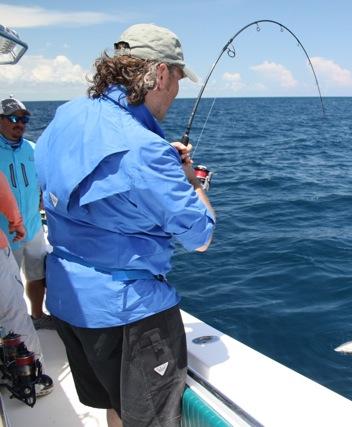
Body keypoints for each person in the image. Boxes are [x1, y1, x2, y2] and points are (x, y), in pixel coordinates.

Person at [34, 23, 215, 427]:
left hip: (69, 301)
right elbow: (201, 236)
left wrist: (160, 164)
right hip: (129, 316)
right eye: (179, 78)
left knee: (114, 406)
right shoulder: (145, 150)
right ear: (161, 74)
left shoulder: (68, 114)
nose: (177, 91)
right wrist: (192, 181)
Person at [0, 97, 54, 330]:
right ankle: (10, 328)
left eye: (24, 118)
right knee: (7, 285)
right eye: (13, 118)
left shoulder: (33, 149)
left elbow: (43, 182)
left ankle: (37, 315)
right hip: (5, 234)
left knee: (36, 274)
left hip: (33, 227)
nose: (19, 123)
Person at [0, 172, 53, 397]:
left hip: (30, 231)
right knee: (13, 312)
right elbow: (4, 193)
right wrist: (16, 222)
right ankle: (31, 377)